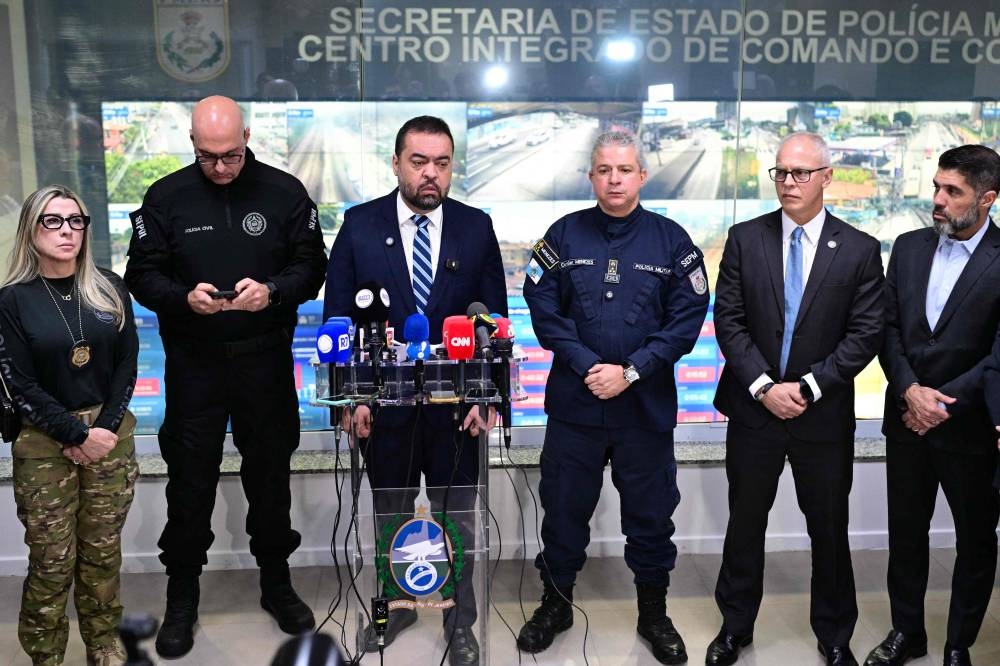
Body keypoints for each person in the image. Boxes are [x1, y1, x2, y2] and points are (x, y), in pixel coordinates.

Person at [124, 96, 327, 658]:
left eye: (231, 155)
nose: (221, 167)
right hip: (195, 365)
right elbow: (140, 274)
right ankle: (183, 594)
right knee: (190, 483)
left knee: (270, 477)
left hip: (263, 359)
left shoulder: (285, 192)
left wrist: (276, 291)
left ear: (247, 137)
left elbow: (314, 265)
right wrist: (182, 299)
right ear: (192, 143)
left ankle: (276, 583)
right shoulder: (165, 197)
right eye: (208, 156)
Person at [520, 131, 709, 665]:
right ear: (592, 176)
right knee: (562, 513)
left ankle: (654, 614)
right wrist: (587, 366)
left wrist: (631, 371)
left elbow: (686, 321)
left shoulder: (672, 241)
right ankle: (554, 607)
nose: (615, 179)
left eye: (625, 169)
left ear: (642, 176)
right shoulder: (562, 235)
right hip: (576, 409)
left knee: (650, 518)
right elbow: (542, 309)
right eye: (604, 170)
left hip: (643, 411)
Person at [323, 115, 507, 666]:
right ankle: (391, 607)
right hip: (384, 410)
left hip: (456, 411)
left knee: (459, 522)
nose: (431, 174)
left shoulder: (476, 227)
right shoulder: (359, 225)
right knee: (391, 517)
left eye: (442, 163)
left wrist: (485, 395)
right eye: (419, 161)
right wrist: (352, 399)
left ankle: (460, 622)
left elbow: (492, 322)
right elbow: (339, 319)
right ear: (397, 163)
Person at [710, 132, 884, 666]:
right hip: (754, 410)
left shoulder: (858, 249)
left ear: (827, 177)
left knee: (828, 529)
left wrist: (808, 387)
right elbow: (729, 320)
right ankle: (735, 627)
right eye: (781, 172)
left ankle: (834, 634)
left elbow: (865, 333)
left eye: (801, 173)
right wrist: (764, 387)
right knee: (745, 524)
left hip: (822, 415)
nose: (788, 182)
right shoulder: (745, 238)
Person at [866, 144, 1000, 666]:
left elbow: (998, 353)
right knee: (906, 536)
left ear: (987, 199)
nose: (938, 200)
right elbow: (887, 327)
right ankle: (908, 633)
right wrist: (909, 390)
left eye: (953, 192)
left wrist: (945, 403)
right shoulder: (910, 246)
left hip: (968, 429)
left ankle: (958, 644)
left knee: (974, 543)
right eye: (937, 187)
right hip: (907, 421)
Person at [0, 184, 139, 666]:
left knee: (102, 554)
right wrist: (75, 436)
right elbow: (18, 383)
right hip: (44, 444)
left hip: (109, 437)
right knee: (52, 560)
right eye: (53, 221)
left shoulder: (109, 286)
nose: (67, 231)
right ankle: (46, 654)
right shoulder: (13, 301)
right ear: (31, 230)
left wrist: (103, 429)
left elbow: (126, 366)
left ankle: (102, 642)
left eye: (75, 221)